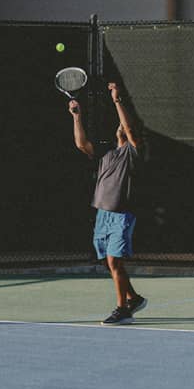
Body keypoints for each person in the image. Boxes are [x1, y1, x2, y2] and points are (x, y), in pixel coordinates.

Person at [69, 81, 147, 325]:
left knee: (114, 261)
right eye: (120, 128)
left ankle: (122, 309)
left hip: (121, 215)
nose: (122, 129)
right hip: (102, 215)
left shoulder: (133, 154)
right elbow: (82, 144)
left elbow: (131, 130)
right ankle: (133, 297)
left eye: (125, 127)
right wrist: (76, 116)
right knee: (107, 261)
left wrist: (117, 100)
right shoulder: (107, 154)